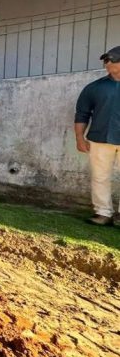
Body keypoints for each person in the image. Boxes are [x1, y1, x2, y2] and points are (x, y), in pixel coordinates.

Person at [74, 45, 120, 226]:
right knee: (100, 176)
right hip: (100, 138)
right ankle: (103, 213)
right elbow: (82, 113)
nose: (107, 63)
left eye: (112, 60)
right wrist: (79, 137)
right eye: (106, 60)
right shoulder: (94, 88)